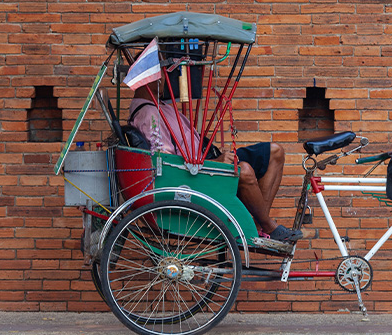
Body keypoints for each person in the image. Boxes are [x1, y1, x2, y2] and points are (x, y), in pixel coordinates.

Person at [128, 85, 302, 244]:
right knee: (244, 171)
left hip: (204, 159)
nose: (167, 80)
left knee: (275, 152)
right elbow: (165, 161)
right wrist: (214, 163)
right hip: (192, 172)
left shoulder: (162, 107)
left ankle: (259, 225)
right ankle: (269, 226)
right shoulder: (147, 113)